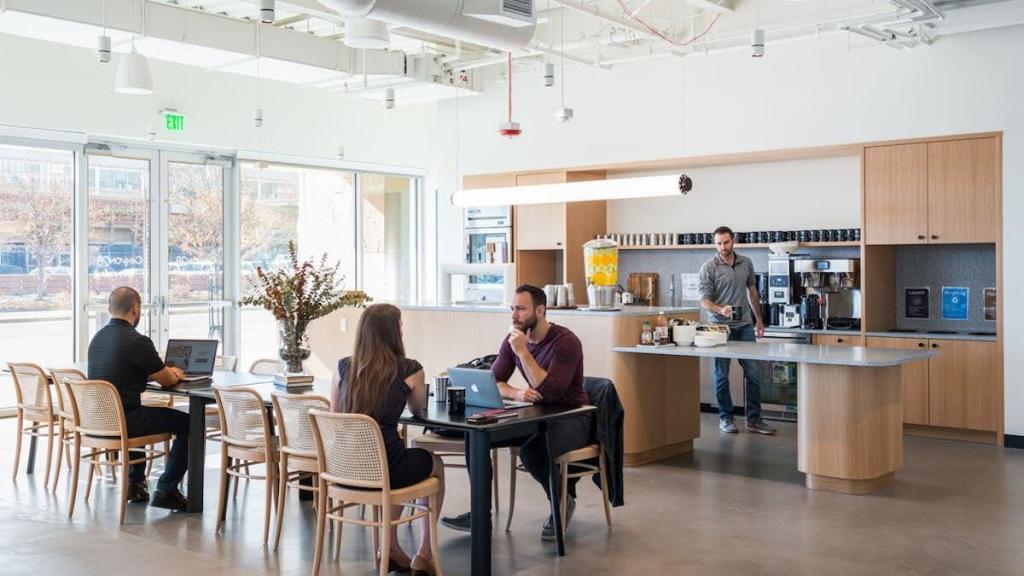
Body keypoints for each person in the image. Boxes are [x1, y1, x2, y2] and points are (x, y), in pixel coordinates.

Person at [441, 284, 590, 541]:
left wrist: (523, 351)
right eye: (512, 308)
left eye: (521, 309)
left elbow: (552, 392)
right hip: (534, 414)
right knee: (475, 436)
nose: (514, 315)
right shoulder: (512, 340)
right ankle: (481, 516)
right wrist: (517, 393)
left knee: (534, 450)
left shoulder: (566, 342)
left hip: (572, 417)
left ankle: (561, 502)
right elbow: (495, 380)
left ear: (540, 311)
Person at [330, 303, 444, 575]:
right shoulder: (410, 369)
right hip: (386, 469)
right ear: (394, 332)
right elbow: (417, 410)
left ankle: (391, 547)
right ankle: (424, 554)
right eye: (401, 325)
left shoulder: (342, 367)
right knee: (433, 465)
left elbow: (334, 416)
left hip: (342, 469)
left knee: (400, 459)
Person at [86, 286, 191, 511]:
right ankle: (166, 490)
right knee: (190, 424)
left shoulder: (97, 339)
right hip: (125, 420)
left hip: (97, 421)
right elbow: (167, 381)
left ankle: (135, 484)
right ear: (136, 309)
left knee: (138, 409)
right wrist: (174, 374)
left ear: (109, 309)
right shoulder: (137, 341)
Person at [699, 226, 776, 435]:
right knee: (721, 375)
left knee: (753, 373)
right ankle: (726, 418)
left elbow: (752, 292)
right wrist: (720, 309)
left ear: (733, 241)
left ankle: (754, 419)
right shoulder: (709, 267)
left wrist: (759, 320)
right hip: (718, 327)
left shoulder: (746, 263)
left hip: (744, 326)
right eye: (718, 243)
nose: (722, 247)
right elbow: (705, 300)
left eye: (725, 242)